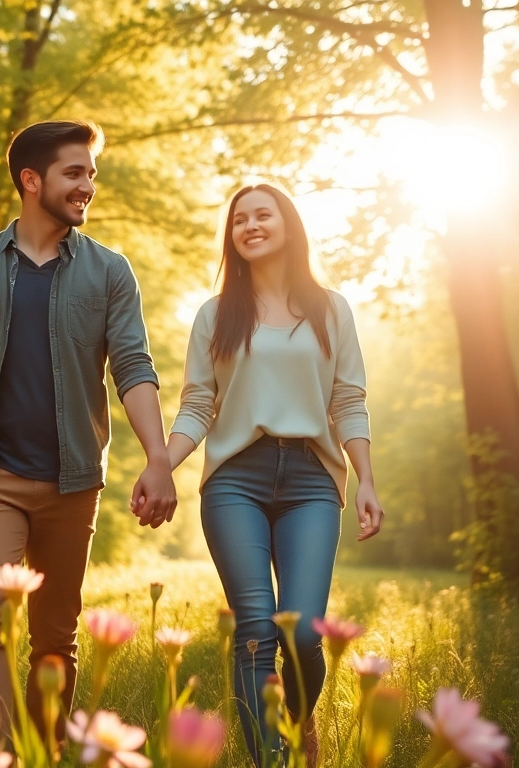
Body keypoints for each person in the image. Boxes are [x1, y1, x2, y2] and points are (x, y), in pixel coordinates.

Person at [0, 119, 177, 740]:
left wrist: (158, 457)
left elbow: (133, 365)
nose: (88, 184)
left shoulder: (110, 271)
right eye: (75, 172)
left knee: (55, 635)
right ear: (31, 180)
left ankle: (44, 751)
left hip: (72, 481)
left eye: (91, 173)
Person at [164, 182, 384, 766]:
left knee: (304, 633)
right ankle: (273, 760)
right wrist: (162, 462)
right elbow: (197, 404)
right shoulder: (216, 315)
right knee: (257, 627)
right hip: (237, 477)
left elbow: (348, 400)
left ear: (289, 225)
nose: (251, 225)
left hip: (313, 480)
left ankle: (296, 721)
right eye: (240, 219)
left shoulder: (331, 308)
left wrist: (364, 478)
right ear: (231, 237)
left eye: (263, 215)